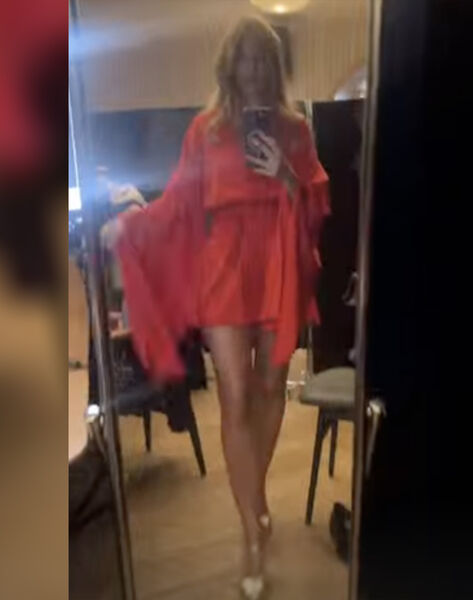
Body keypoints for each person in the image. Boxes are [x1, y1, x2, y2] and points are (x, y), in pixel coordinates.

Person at [107, 16, 330, 599]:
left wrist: (285, 176)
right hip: (226, 270)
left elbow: (318, 201)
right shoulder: (205, 131)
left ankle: (253, 505)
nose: (254, 68)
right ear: (230, 66)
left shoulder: (296, 129)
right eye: (245, 58)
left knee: (269, 388)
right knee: (234, 393)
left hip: (278, 265)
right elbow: (179, 202)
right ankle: (254, 528)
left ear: (274, 68)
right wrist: (132, 223)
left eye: (263, 58)